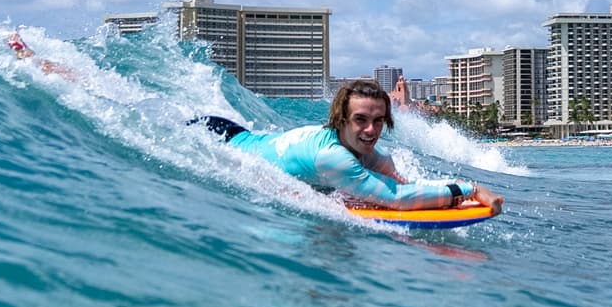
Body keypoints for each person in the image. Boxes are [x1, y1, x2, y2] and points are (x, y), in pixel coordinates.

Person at [195, 79, 503, 213]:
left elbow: (402, 186)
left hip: (243, 135)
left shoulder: (372, 152)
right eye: (360, 120)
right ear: (341, 119)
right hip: (221, 139)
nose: (371, 130)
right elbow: (397, 200)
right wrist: (469, 189)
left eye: (379, 121)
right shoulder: (334, 158)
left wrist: (443, 198)